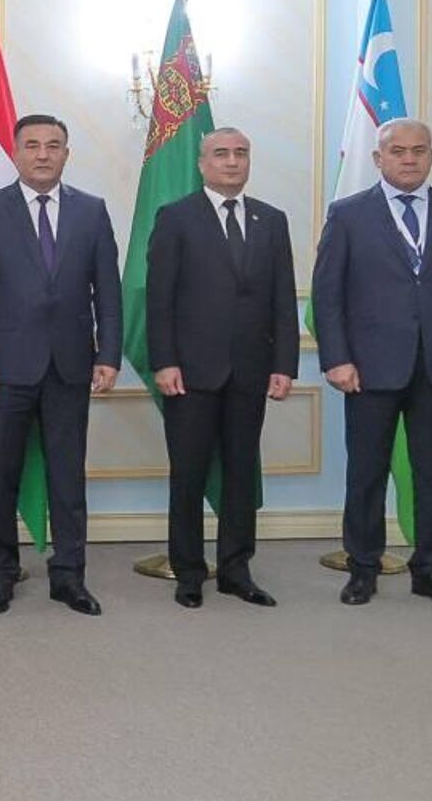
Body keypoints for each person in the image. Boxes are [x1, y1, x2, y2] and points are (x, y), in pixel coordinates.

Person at [312, 117, 432, 610]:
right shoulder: (348, 214)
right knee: (366, 472)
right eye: (398, 151)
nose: (409, 159)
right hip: (368, 368)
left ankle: (430, 569)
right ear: (378, 158)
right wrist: (337, 358)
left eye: (419, 150)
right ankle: (363, 568)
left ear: (431, 155)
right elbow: (327, 296)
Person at [0, 113, 120, 616]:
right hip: (5, 370)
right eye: (32, 145)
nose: (43, 154)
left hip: (71, 367)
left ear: (66, 154)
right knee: (0, 477)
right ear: (15, 153)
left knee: (68, 478)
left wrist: (108, 354)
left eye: (53, 145)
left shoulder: (92, 211)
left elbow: (108, 292)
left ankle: (69, 576)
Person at [145, 127, 298, 608]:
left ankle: (236, 569)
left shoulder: (271, 220)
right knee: (188, 476)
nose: (232, 162)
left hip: (251, 371)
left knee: (240, 475)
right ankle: (189, 572)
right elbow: (159, 299)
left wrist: (285, 364)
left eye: (240, 153)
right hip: (190, 374)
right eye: (221, 154)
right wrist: (164, 361)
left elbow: (283, 298)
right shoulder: (176, 217)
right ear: (202, 163)